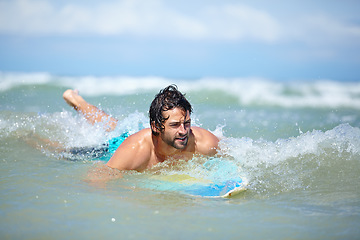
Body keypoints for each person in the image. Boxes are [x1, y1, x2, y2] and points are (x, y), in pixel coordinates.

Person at [63, 85, 219, 172]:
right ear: (156, 127)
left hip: (142, 134)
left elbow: (238, 152)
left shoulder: (204, 142)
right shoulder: (136, 150)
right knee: (65, 153)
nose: (184, 131)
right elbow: (98, 180)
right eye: (175, 125)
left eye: (187, 123)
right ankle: (76, 101)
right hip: (116, 146)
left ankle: (76, 100)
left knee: (114, 125)